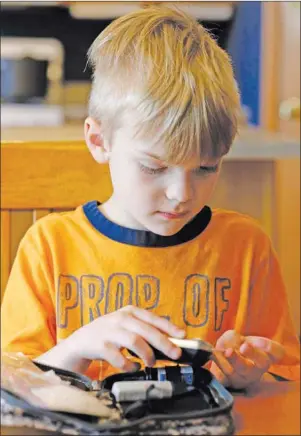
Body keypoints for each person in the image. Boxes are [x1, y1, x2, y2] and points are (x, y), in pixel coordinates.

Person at [1, 6, 300, 389]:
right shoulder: (48, 248)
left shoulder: (246, 248)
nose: (181, 194)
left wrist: (251, 376)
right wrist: (73, 350)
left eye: (206, 168)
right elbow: (12, 384)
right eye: (154, 168)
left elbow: (284, 379)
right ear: (99, 141)